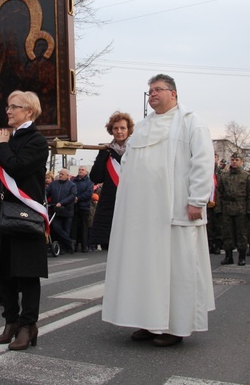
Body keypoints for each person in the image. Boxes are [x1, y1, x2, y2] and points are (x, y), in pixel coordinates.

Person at [102, 74, 215, 347]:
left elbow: (202, 162)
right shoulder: (141, 127)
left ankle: (175, 327)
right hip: (142, 216)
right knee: (145, 269)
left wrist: (197, 200)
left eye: (158, 89)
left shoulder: (191, 123)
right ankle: (148, 322)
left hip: (174, 211)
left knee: (176, 270)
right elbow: (129, 164)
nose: (152, 94)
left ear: (173, 94)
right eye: (150, 90)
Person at [0, 90, 49, 351]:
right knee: (2, 270)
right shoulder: (6, 139)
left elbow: (17, 167)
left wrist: (0, 149)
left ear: (29, 112)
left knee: (26, 273)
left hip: (24, 214)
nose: (8, 110)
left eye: (14, 107)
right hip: (0, 211)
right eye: (8, 106)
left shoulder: (37, 141)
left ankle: (28, 326)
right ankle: (11, 322)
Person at [89, 112, 134, 252]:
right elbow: (96, 177)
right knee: (110, 248)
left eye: (122, 128)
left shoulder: (136, 149)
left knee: (131, 245)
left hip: (131, 202)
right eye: (115, 128)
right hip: (110, 205)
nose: (119, 132)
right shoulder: (106, 151)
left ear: (128, 130)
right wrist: (102, 155)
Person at [216, 153, 250, 266]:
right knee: (227, 233)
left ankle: (241, 257)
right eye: (232, 159)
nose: (234, 162)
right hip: (227, 209)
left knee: (241, 234)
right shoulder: (224, 176)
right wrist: (218, 209)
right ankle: (228, 256)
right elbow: (219, 193)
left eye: (237, 160)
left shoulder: (246, 176)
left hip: (241, 209)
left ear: (241, 162)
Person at [46, 168, 77, 254]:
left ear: (67, 176)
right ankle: (70, 242)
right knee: (56, 227)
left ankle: (65, 248)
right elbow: (47, 192)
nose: (60, 175)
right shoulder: (53, 184)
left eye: (62, 174)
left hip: (67, 211)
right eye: (60, 174)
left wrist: (62, 202)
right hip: (56, 210)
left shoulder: (72, 185)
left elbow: (72, 196)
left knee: (66, 229)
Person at [71, 166, 94, 253]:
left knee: (84, 227)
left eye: (82, 170)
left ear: (86, 172)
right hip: (74, 207)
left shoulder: (89, 182)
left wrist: (78, 198)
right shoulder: (73, 181)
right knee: (74, 227)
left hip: (84, 207)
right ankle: (74, 246)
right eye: (79, 170)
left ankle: (84, 246)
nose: (80, 171)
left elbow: (88, 193)